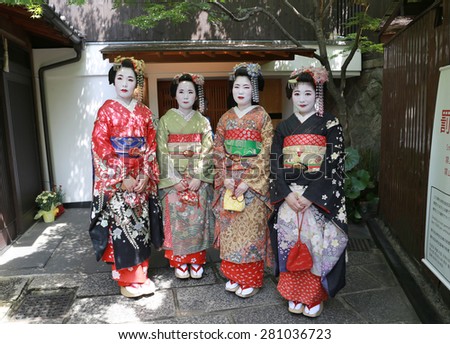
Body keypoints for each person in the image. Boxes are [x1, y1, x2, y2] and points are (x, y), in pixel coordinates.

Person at [269, 66, 348, 317]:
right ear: (291, 95)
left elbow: (333, 161)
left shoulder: (329, 123)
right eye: (297, 93)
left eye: (308, 93)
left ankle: (314, 296)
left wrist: (311, 195)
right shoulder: (283, 127)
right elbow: (275, 161)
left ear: (317, 95)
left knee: (316, 245)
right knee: (289, 242)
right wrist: (287, 193)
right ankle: (293, 293)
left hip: (316, 198)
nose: (302, 99)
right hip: (289, 197)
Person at [89, 57, 163, 298]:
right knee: (122, 229)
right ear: (113, 81)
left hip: (140, 180)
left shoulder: (145, 112)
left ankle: (141, 277)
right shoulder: (107, 110)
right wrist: (121, 178)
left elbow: (151, 146)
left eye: (130, 79)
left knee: (141, 227)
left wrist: (145, 175)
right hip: (118, 183)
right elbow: (99, 146)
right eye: (120, 78)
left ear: (137, 84)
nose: (124, 83)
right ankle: (126, 280)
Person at [213, 62, 273, 298]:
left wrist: (248, 181)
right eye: (237, 86)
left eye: (246, 87)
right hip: (230, 182)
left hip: (252, 182)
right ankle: (233, 275)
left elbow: (267, 149)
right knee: (230, 230)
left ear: (254, 89)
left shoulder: (262, 116)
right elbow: (217, 148)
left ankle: (250, 279)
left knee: (251, 231)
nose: (240, 91)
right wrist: (226, 178)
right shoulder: (225, 118)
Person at [156, 73, 215, 279]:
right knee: (176, 219)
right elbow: (161, 151)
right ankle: (179, 262)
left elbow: (208, 150)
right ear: (175, 95)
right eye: (181, 91)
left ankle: (197, 260)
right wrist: (174, 179)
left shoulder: (203, 121)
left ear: (196, 95)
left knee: (197, 219)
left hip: (197, 180)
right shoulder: (165, 120)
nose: (186, 95)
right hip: (174, 182)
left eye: (190, 91)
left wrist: (198, 177)